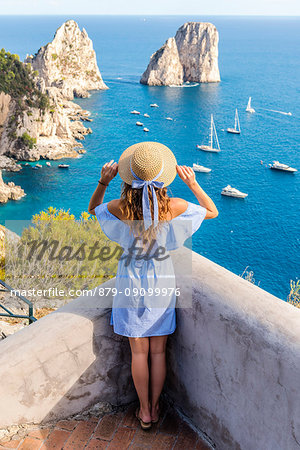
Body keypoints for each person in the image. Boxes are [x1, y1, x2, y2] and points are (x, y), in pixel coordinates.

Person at [88, 142, 218, 430]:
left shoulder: (120, 207)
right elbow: (211, 211)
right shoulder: (173, 207)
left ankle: (144, 411)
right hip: (161, 280)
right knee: (158, 352)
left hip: (130, 282)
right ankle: (156, 408)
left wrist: (103, 181)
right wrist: (193, 184)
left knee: (138, 352)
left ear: (126, 176)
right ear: (163, 178)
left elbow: (93, 209)